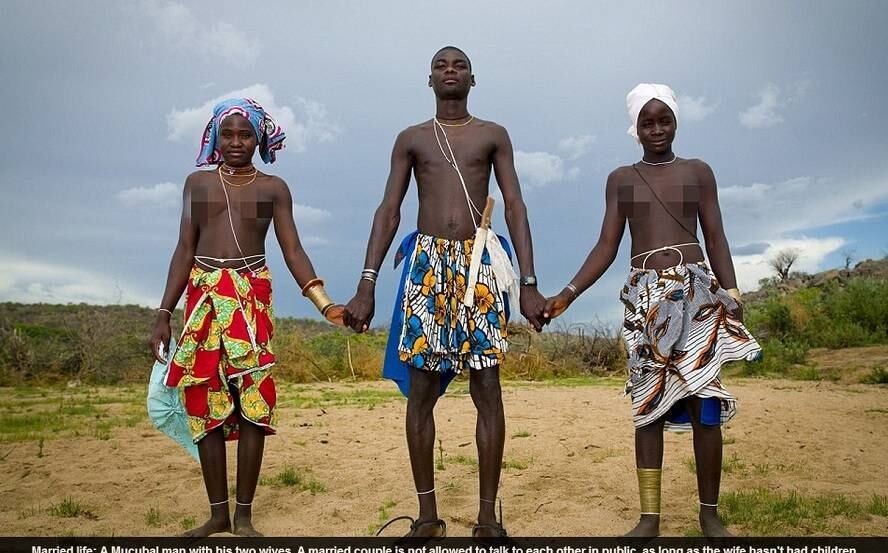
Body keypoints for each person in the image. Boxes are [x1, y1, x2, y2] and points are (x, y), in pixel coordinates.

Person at [343, 46, 548, 537]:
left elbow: (515, 204)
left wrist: (528, 282)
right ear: (429, 79)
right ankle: (428, 515)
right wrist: (365, 284)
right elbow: (388, 210)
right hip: (427, 266)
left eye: (458, 65)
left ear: (473, 80)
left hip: (478, 265)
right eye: (441, 65)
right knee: (420, 393)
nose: (450, 71)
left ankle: (485, 516)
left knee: (488, 388)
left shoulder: (492, 135)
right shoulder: (412, 139)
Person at [544, 83, 761, 537]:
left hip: (697, 293)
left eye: (664, 120)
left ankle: (709, 514)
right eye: (648, 122)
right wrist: (567, 294)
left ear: (676, 121)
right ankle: (649, 517)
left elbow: (716, 237)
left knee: (706, 400)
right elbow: (607, 246)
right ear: (635, 128)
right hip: (645, 299)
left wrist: (733, 294)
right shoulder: (621, 179)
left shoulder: (698, 172)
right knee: (649, 407)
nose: (657, 129)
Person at [150, 98, 342, 537]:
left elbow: (292, 248)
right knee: (205, 406)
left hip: (250, 301)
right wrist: (163, 313)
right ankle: (217, 514)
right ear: (216, 136)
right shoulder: (197, 184)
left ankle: (244, 516)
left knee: (254, 406)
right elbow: (184, 249)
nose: (237, 142)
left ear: (259, 137)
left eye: (246, 134)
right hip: (202, 302)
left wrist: (324, 302)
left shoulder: (272, 188)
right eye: (228, 134)